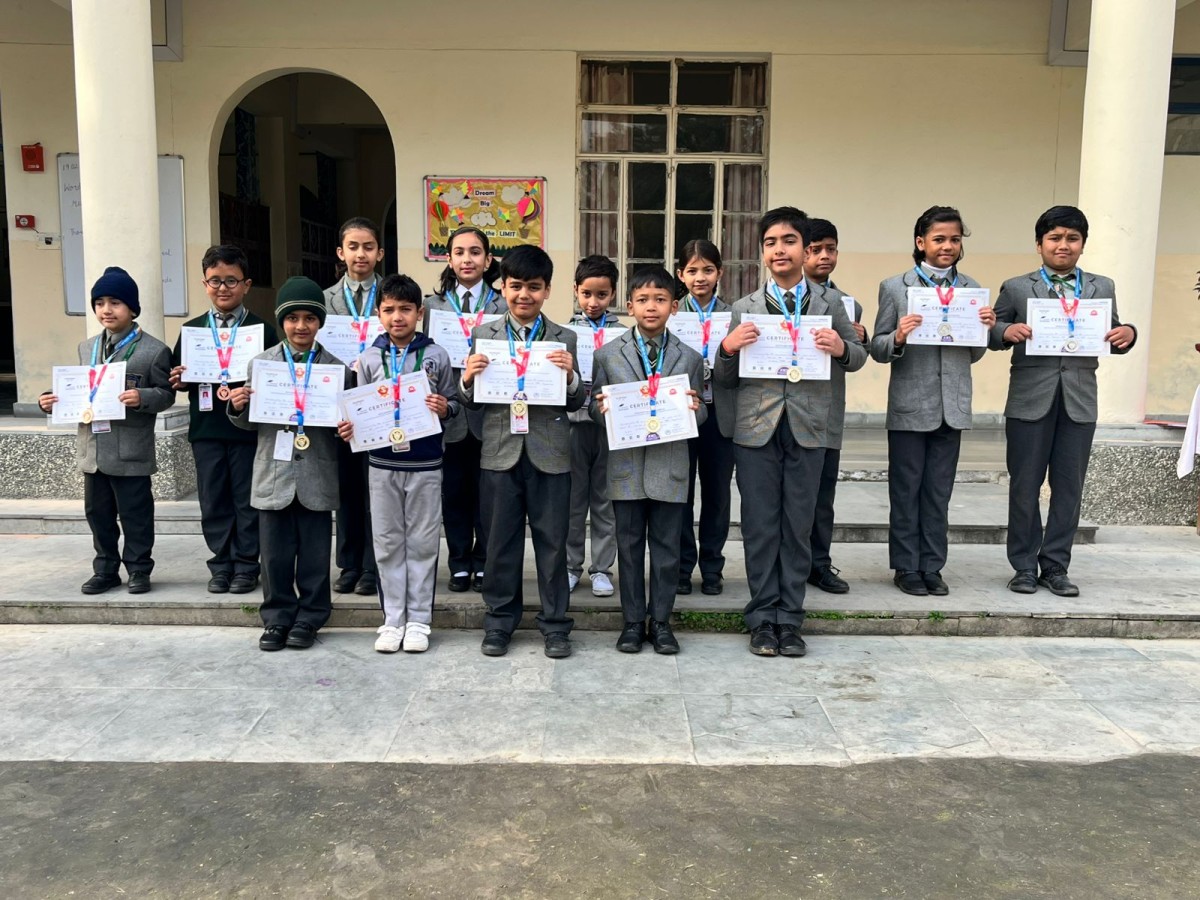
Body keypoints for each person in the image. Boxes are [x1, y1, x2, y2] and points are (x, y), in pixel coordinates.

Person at [715, 207, 867, 657]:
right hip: (756, 429)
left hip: (809, 426)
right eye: (770, 243)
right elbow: (724, 379)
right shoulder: (743, 308)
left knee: (798, 526)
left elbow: (858, 357)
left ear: (805, 249)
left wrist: (842, 348)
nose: (779, 250)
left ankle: (790, 619)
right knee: (761, 526)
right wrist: (727, 349)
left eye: (789, 241)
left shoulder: (829, 304)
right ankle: (763, 618)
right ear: (762, 252)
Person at [990, 205, 1137, 597]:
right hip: (1029, 400)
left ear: (1083, 244)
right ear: (1039, 244)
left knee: (1069, 488)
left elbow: (1112, 332)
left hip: (1079, 400)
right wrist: (1006, 331)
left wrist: (1128, 333)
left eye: (1072, 238)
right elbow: (990, 333)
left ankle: (1056, 566)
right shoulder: (1017, 287)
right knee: (1025, 486)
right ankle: (1024, 566)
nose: (1063, 245)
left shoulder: (1101, 287)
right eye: (1054, 238)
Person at [459, 244, 584, 659]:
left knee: (553, 544)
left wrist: (570, 377)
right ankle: (499, 622)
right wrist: (467, 379)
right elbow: (472, 402)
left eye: (533, 287)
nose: (523, 295)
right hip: (500, 452)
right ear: (502, 287)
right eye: (515, 286)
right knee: (499, 543)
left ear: (547, 290)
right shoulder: (485, 336)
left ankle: (556, 625)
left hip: (550, 453)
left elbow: (575, 400)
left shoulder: (565, 337)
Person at [871, 206, 996, 598]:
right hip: (910, 406)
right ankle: (907, 566)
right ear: (920, 242)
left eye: (954, 239)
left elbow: (973, 354)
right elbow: (877, 347)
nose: (947, 246)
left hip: (952, 406)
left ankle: (932, 565)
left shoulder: (972, 290)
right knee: (906, 490)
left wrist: (983, 330)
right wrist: (898, 337)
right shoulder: (896, 287)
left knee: (939, 492)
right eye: (939, 239)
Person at [230, 277, 351, 651]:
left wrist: (347, 427)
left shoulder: (336, 369)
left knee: (315, 554)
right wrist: (238, 406)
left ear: (320, 322)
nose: (301, 326)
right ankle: (277, 618)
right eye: (292, 318)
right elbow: (249, 423)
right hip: (274, 472)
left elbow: (344, 425)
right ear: (281, 321)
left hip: (317, 472)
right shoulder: (261, 364)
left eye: (309, 318)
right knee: (275, 555)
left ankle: (311, 617)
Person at [338, 274, 458, 653]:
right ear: (378, 314)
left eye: (405, 309)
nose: (397, 317)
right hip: (381, 463)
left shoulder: (437, 355)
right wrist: (349, 426)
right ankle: (392, 620)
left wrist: (446, 407)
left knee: (422, 542)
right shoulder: (368, 359)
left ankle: (419, 620)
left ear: (419, 313)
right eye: (389, 310)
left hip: (426, 463)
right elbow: (358, 407)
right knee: (388, 542)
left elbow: (455, 401)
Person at [38, 267, 174, 595]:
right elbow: (80, 390)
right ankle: (105, 568)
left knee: (136, 514)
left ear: (132, 309)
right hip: (94, 449)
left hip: (130, 450)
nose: (106, 310)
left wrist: (143, 397)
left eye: (115, 302)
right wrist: (51, 400)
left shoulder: (154, 350)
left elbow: (167, 394)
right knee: (98, 514)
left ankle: (139, 569)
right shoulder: (87, 347)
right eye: (99, 303)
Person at [590, 267, 705, 654]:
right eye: (642, 300)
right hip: (625, 468)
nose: (651, 307)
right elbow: (593, 408)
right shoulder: (607, 355)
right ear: (629, 306)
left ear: (674, 306)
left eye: (659, 299)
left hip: (670, 467)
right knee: (629, 547)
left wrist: (697, 409)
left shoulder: (690, 357)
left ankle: (662, 622)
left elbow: (701, 412)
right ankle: (632, 622)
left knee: (667, 550)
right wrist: (601, 409)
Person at [169, 245, 279, 594]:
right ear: (204, 284)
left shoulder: (263, 331)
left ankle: (247, 565)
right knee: (213, 499)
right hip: (206, 429)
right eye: (215, 280)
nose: (223, 288)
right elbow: (179, 377)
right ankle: (221, 564)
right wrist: (180, 380)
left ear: (246, 285)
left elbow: (276, 379)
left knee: (246, 500)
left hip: (247, 432)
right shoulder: (192, 331)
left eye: (231, 280)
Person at [422, 226, 506, 592]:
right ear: (449, 259)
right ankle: (458, 561)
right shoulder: (431, 307)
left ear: (488, 260)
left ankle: (485, 560)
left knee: (488, 494)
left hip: (492, 414)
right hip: (448, 413)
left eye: (475, 252)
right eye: (459, 252)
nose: (467, 259)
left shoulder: (504, 304)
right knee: (453, 492)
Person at [802, 219, 869, 595]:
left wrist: (856, 341)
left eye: (830, 249)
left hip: (826, 410)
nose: (824, 256)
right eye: (815, 249)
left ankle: (819, 563)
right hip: (788, 410)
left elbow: (857, 356)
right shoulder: (775, 301)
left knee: (823, 494)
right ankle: (789, 562)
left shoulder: (848, 304)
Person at [324, 217, 383, 597]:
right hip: (338, 405)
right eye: (353, 246)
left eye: (368, 247)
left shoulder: (391, 296)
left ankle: (373, 566)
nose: (361, 254)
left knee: (375, 489)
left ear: (380, 253)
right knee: (345, 488)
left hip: (380, 405)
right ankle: (349, 564)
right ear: (340, 252)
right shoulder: (324, 299)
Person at [674, 239, 734, 597]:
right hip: (681, 413)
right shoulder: (671, 314)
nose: (700, 277)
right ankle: (682, 566)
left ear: (719, 273)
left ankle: (712, 567)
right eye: (692, 270)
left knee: (717, 495)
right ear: (680, 274)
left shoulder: (735, 315)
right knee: (680, 495)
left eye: (708, 270)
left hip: (721, 415)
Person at [566, 254, 622, 599]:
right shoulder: (563, 333)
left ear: (613, 294)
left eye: (601, 295)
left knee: (605, 500)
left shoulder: (623, 335)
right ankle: (570, 566)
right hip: (573, 424)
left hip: (609, 428)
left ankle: (602, 569)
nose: (593, 302)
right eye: (586, 294)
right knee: (573, 501)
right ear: (575, 290)